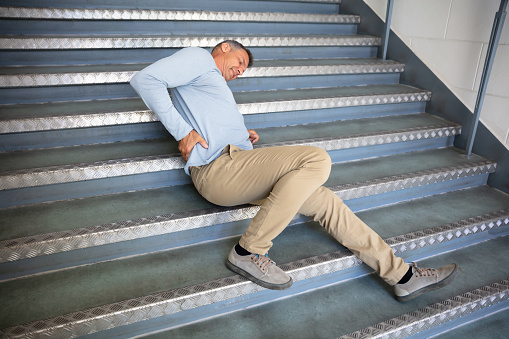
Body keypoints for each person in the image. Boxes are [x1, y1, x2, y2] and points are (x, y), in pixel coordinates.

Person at [130, 40, 459, 301]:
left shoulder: (210, 83)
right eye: (240, 62)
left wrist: (242, 137)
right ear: (225, 48)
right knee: (317, 159)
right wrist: (181, 132)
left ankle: (401, 276)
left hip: (237, 164)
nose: (240, 71)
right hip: (218, 169)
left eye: (244, 70)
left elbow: (207, 121)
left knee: (326, 202)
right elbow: (146, 79)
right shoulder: (200, 58)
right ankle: (249, 250)